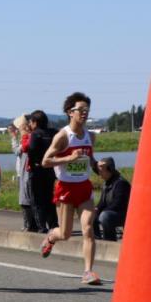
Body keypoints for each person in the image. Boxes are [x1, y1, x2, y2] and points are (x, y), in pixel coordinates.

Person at [41, 92, 102, 285]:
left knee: (88, 228)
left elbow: (89, 159)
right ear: (70, 112)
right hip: (65, 188)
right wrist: (68, 158)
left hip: (84, 188)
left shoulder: (91, 136)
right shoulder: (63, 136)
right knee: (65, 234)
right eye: (80, 110)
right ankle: (51, 237)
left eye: (87, 110)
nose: (84, 113)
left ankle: (88, 272)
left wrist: (96, 166)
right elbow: (45, 161)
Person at [26, 111, 58, 233]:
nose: (30, 123)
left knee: (37, 200)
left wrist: (34, 162)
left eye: (31, 121)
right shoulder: (53, 132)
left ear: (35, 122)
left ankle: (41, 226)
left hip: (37, 170)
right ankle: (54, 225)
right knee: (50, 198)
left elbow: (31, 150)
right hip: (51, 170)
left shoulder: (35, 134)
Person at [7, 117, 37, 231]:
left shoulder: (27, 138)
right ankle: (31, 224)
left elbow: (17, 151)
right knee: (29, 199)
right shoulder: (31, 136)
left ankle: (28, 225)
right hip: (27, 172)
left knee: (24, 199)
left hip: (25, 173)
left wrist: (13, 137)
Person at [92, 156, 130, 242]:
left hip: (124, 214)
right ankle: (97, 239)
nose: (99, 173)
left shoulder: (121, 183)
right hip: (111, 211)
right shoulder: (106, 182)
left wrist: (102, 211)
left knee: (104, 216)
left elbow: (118, 203)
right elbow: (102, 202)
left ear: (109, 169)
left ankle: (110, 240)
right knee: (92, 213)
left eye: (101, 171)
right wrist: (96, 209)